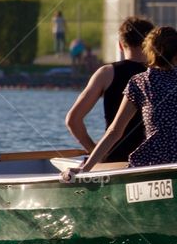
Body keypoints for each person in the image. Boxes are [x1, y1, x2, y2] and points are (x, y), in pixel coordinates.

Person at [63, 26, 177, 178]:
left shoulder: (140, 82)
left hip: (153, 161)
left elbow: (115, 131)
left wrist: (86, 169)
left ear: (149, 52)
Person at [65, 17, 154, 163]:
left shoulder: (106, 73)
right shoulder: (163, 75)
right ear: (150, 45)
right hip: (154, 158)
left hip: (115, 157)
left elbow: (73, 120)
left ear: (120, 45)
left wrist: (95, 152)